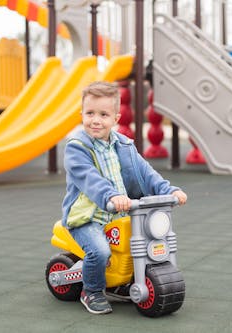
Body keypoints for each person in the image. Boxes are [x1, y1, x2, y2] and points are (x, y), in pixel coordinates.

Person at [61, 81, 187, 315]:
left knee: (140, 245)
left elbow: (146, 173)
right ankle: (92, 291)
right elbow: (88, 178)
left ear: (116, 118)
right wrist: (112, 195)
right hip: (87, 218)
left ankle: (121, 283)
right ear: (81, 115)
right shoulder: (77, 148)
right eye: (90, 113)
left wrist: (168, 190)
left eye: (103, 114)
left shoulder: (124, 145)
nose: (96, 120)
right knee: (100, 251)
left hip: (118, 214)